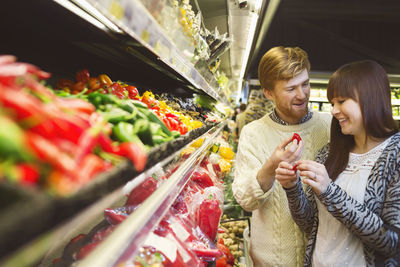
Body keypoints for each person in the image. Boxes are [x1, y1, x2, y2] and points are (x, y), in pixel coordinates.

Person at [275, 60, 400, 266]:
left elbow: (391, 242)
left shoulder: (395, 155)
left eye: (341, 101)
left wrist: (330, 192)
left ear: (370, 99)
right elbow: (309, 224)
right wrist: (292, 187)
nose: (333, 111)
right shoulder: (330, 152)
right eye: (333, 103)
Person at [232, 46, 331, 267]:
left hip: (324, 260)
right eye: (290, 88)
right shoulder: (254, 133)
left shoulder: (329, 126)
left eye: (305, 84)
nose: (302, 94)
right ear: (268, 93)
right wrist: (271, 167)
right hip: (271, 261)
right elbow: (246, 201)